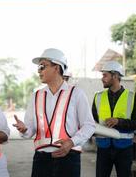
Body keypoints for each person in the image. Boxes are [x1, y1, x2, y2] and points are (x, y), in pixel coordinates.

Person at [13, 48, 95, 177]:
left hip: (68, 157)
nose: (39, 71)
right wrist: (24, 129)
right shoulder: (36, 96)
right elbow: (30, 130)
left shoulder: (76, 94)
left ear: (57, 68)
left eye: (42, 66)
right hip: (41, 159)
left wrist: (72, 142)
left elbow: (89, 125)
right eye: (39, 67)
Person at [92, 60, 136, 177]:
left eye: (105, 75)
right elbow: (92, 122)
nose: (102, 78)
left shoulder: (132, 97)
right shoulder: (98, 97)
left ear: (115, 76)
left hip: (124, 148)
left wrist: (119, 121)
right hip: (103, 148)